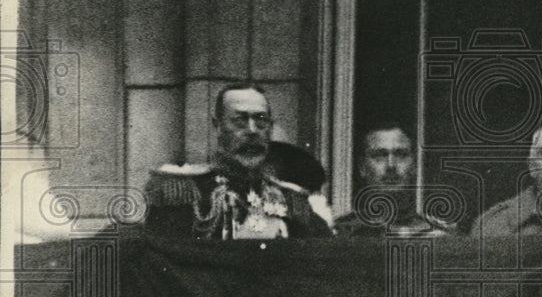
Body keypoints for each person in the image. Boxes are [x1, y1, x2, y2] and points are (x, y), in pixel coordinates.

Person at [144, 84, 333, 240]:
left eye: (261, 121)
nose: (252, 130)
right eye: (239, 120)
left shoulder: (292, 202)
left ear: (270, 128)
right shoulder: (184, 194)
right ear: (217, 126)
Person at [333, 124, 453, 238]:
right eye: (380, 155)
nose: (391, 165)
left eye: (401, 155)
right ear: (362, 168)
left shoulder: (436, 235)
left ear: (414, 166)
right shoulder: (338, 234)